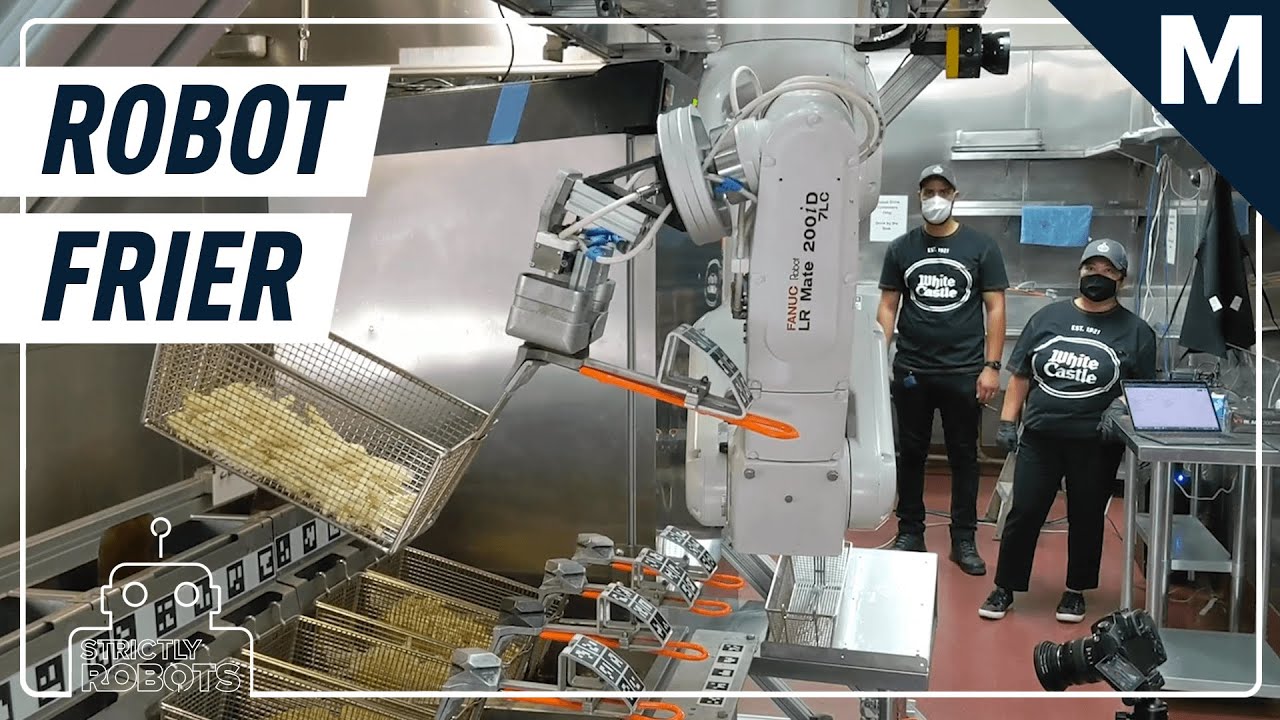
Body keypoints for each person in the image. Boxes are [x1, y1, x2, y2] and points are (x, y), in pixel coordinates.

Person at [979, 238, 1157, 623]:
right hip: (1040, 437)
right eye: (1091, 268)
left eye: (1108, 271)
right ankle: (1005, 586)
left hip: (1096, 444)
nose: (1098, 276)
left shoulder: (1137, 332)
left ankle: (1076, 590)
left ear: (1122, 279)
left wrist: (1119, 408)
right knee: (1024, 512)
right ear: (1080, 271)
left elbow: (1142, 391)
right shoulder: (1047, 319)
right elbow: (1021, 375)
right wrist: (1008, 421)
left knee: (1087, 516)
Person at [878, 164, 1009, 576]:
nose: (935, 198)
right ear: (919, 196)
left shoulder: (981, 247)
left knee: (964, 457)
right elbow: (888, 306)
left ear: (955, 195)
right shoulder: (901, 249)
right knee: (910, 453)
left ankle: (964, 540)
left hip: (963, 371)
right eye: (928, 191)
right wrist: (876, 358)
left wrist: (991, 367)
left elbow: (996, 308)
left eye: (942, 190)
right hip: (912, 369)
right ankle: (910, 532)